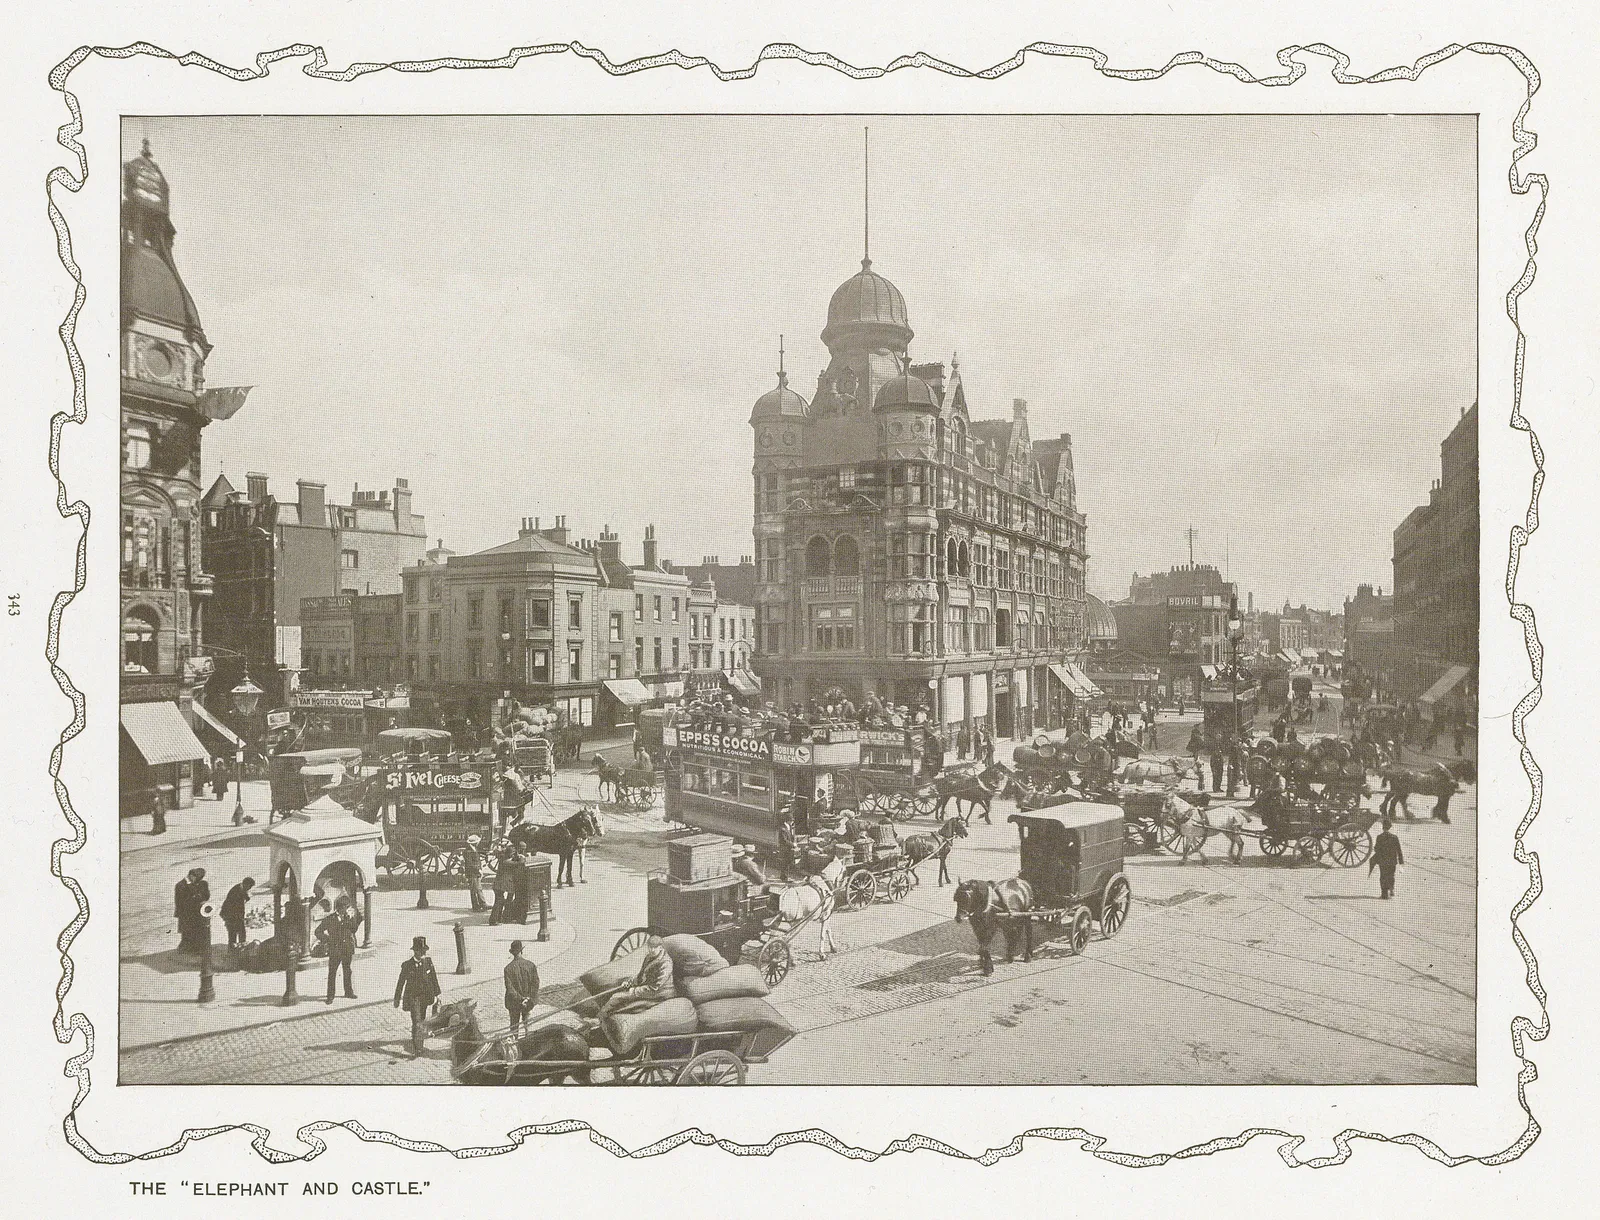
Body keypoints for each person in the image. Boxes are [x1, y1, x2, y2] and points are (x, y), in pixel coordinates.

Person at [598, 932, 675, 1024]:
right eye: (650, 947)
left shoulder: (666, 963)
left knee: (618, 998)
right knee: (617, 995)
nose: (651, 950)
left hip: (660, 994)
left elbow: (655, 987)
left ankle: (599, 1020)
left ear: (661, 947)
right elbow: (641, 977)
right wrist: (630, 983)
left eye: (654, 947)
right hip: (647, 991)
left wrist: (634, 991)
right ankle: (600, 1018)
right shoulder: (649, 957)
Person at [394, 936, 442, 1056]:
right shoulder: (407, 965)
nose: (424, 954)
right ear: (415, 951)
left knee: (422, 1020)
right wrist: (397, 998)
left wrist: (437, 995)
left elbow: (433, 978)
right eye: (421, 951)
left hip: (425, 997)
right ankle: (418, 1048)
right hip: (413, 998)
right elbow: (400, 982)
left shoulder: (428, 962)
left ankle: (418, 1040)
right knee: (416, 1022)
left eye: (425, 951)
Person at [321, 895, 361, 1003]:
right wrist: (328, 940)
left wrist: (351, 919)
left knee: (347, 970)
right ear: (340, 908)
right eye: (345, 907)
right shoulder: (330, 919)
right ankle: (330, 996)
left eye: (347, 907)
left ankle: (348, 992)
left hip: (347, 949)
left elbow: (354, 929)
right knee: (332, 972)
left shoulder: (348, 918)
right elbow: (318, 931)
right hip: (335, 949)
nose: (347, 909)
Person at [503, 940, 540, 1037]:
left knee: (514, 1027)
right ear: (521, 951)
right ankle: (528, 1041)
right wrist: (528, 998)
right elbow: (535, 983)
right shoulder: (531, 965)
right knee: (528, 1025)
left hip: (514, 1003)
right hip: (528, 1002)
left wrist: (521, 999)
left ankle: (514, 1042)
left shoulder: (508, 969)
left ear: (512, 953)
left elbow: (510, 989)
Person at [173, 867, 207, 952]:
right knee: (187, 932)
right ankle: (184, 949)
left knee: (192, 931)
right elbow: (182, 901)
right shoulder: (180, 885)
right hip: (185, 913)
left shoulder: (195, 883)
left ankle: (190, 949)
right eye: (196, 878)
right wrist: (196, 898)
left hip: (193, 912)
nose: (197, 880)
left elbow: (204, 895)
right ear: (191, 876)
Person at [1370, 819, 1404, 898]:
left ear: (1383, 827)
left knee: (1383, 876)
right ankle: (1391, 889)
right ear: (1390, 827)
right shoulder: (1394, 837)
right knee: (1391, 875)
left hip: (1383, 861)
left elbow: (1376, 848)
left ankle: (1384, 894)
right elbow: (1399, 850)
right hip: (1392, 861)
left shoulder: (1379, 837)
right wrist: (1401, 861)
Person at [220, 876, 254, 950]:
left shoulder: (242, 888)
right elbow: (234, 906)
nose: (249, 889)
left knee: (241, 931)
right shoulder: (235, 891)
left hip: (236, 914)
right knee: (233, 933)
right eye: (249, 887)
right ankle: (232, 950)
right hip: (229, 914)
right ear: (245, 884)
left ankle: (241, 947)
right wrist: (239, 918)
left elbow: (244, 896)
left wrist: (247, 897)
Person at [462, 835, 488, 912]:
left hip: (476, 872)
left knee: (479, 888)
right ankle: (475, 907)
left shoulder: (474, 849)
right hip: (472, 873)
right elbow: (470, 864)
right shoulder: (467, 851)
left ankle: (483, 904)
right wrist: (478, 869)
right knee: (474, 890)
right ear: (474, 843)